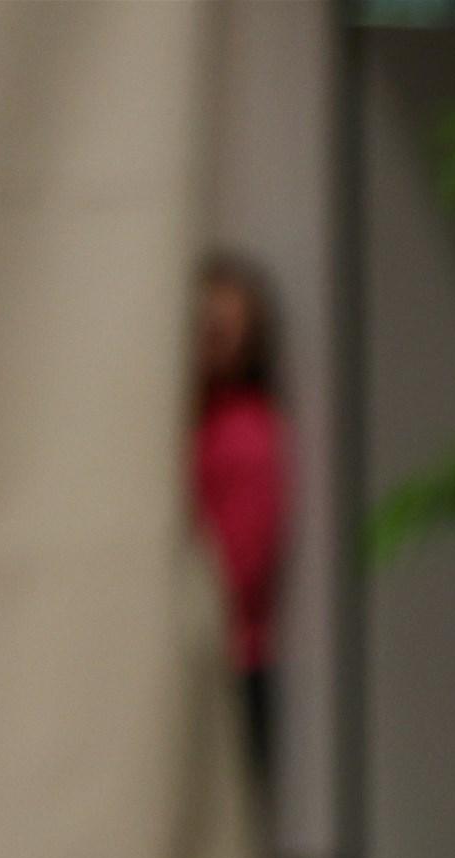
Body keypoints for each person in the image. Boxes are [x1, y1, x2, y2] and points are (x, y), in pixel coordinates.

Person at [191, 252, 291, 791]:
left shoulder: (247, 432)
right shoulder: (194, 425)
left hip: (230, 664)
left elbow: (242, 569)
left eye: (225, 330)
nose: (211, 341)